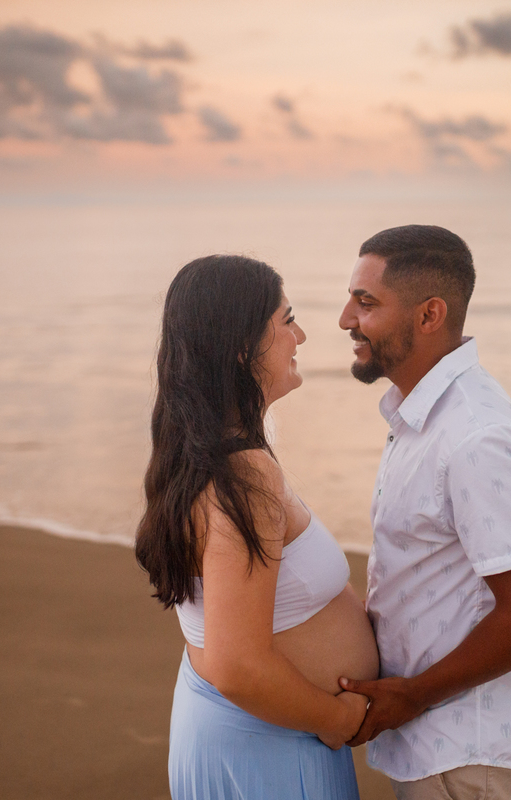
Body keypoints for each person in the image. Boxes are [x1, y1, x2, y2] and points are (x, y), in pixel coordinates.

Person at [337, 226, 511, 799]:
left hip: (477, 754)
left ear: (429, 314)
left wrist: (413, 693)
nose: (345, 318)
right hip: (442, 746)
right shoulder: (424, 419)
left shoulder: (476, 436)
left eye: (366, 303)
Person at [135, 254, 379, 800]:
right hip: (269, 750)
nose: (302, 336)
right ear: (243, 347)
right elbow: (238, 666)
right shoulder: (240, 474)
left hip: (253, 736)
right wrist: (333, 719)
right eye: (287, 320)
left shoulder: (205, 455)